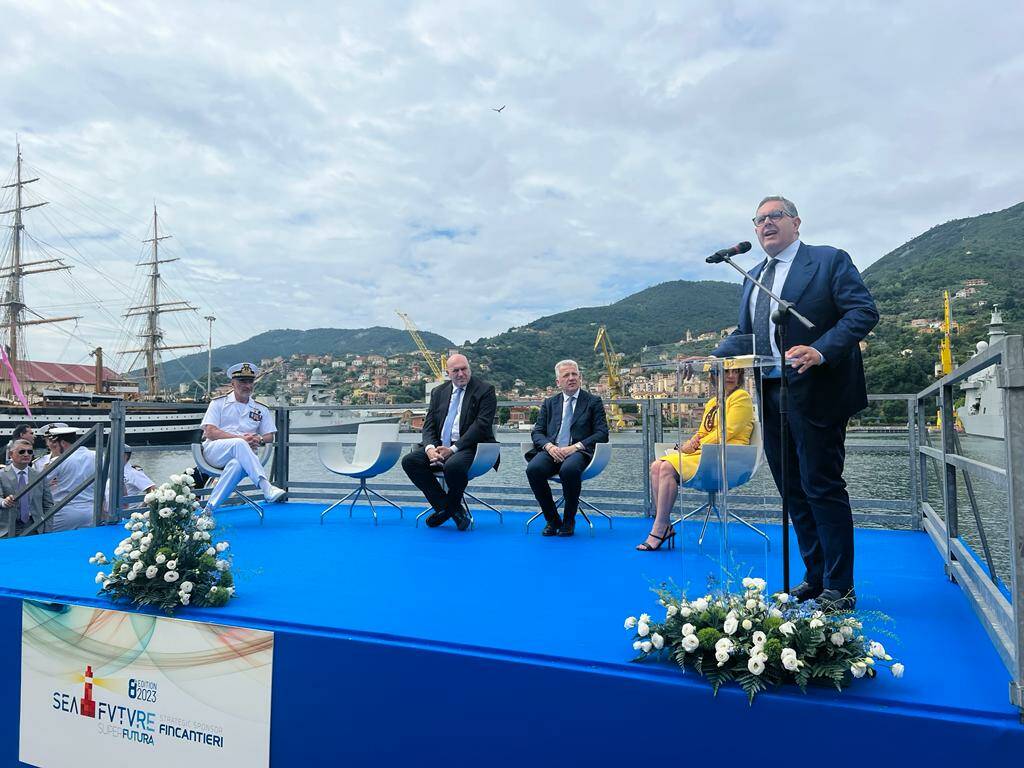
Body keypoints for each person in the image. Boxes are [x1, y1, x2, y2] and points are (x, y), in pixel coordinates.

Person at [713, 195, 878, 609]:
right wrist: (710, 355)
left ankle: (841, 588)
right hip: (770, 393)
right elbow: (746, 332)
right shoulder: (753, 275)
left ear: (796, 223)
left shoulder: (827, 260)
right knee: (792, 490)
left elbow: (862, 312)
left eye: (774, 216)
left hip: (818, 390)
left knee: (821, 486)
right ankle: (815, 576)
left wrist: (820, 350)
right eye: (759, 219)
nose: (765, 224)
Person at [639, 367, 754, 551]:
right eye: (726, 372)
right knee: (656, 466)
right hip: (708, 452)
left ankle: (659, 528)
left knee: (667, 467)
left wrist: (695, 446)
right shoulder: (713, 402)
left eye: (736, 372)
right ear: (714, 376)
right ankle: (663, 524)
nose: (731, 376)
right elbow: (703, 431)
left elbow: (728, 431)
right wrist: (690, 443)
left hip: (730, 455)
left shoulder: (741, 397)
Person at [401, 353, 498, 532]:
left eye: (464, 369)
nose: (461, 374)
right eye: (456, 370)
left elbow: (481, 426)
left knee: (453, 466)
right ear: (448, 373)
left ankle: (447, 511)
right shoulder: (438, 392)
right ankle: (451, 510)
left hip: (471, 447)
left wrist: (452, 449)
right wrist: (430, 449)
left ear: (470, 369)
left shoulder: (485, 390)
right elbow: (428, 425)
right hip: (439, 446)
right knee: (410, 461)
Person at [525, 360, 609, 537]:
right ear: (558, 382)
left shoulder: (593, 401)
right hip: (552, 450)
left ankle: (569, 520)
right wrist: (549, 447)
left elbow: (602, 433)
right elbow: (537, 432)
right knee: (533, 469)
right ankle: (552, 519)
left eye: (574, 374)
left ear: (580, 377)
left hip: (579, 452)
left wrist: (575, 447)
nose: (571, 378)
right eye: (566, 375)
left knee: (569, 469)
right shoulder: (549, 403)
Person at [200, 362, 285, 511]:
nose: (247, 385)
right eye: (242, 381)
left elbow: (269, 437)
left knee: (237, 465)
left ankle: (208, 510)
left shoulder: (260, 409)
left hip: (245, 457)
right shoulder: (218, 403)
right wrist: (241, 439)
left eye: (250, 381)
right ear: (233, 383)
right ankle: (266, 487)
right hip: (215, 452)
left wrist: (257, 439)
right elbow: (210, 432)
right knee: (239, 443)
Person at [46, 426, 99, 532]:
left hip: (64, 512)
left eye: (56, 444)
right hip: (92, 510)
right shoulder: (96, 455)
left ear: (63, 443)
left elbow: (40, 483)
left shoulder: (59, 460)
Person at [0, 438, 53, 537]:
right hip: (7, 529)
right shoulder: (1, 475)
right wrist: (4, 502)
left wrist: (48, 530)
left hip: (35, 527)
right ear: (11, 454)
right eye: (21, 451)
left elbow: (48, 504)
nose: (26, 454)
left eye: (30, 452)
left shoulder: (40, 475)